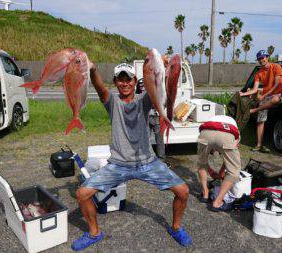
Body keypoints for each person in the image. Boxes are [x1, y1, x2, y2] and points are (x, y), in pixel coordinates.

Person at [72, 62, 192, 250]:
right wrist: (93, 69)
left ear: (135, 81)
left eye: (129, 79)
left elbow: (161, 86)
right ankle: (94, 233)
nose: (125, 83)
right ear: (115, 82)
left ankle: (176, 228)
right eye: (121, 79)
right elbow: (99, 87)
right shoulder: (112, 102)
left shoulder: (144, 100)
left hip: (148, 162)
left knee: (183, 191)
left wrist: (166, 69)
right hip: (118, 165)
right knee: (82, 194)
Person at [239, 50, 282, 152]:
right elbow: (254, 89)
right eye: (259, 59)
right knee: (261, 120)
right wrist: (243, 94)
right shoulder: (258, 73)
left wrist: (264, 95)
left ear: (267, 57)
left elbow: (277, 84)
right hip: (265, 96)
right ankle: (259, 145)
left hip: (276, 94)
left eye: (263, 58)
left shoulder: (276, 67)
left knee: (275, 99)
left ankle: (254, 110)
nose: (261, 60)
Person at [196, 115, 241, 211]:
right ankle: (217, 202)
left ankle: (205, 194)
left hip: (205, 132)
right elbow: (229, 161)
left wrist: (219, 172)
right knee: (234, 170)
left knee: (201, 163)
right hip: (226, 135)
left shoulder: (212, 118)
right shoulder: (236, 131)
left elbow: (204, 161)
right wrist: (221, 172)